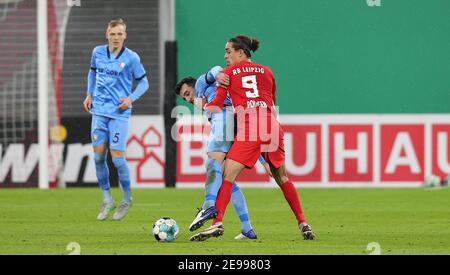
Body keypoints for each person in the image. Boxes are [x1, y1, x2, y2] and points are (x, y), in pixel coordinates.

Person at [198, 35, 315, 240]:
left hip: (250, 127)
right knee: (283, 178)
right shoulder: (267, 71)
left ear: (240, 52)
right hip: (272, 126)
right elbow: (272, 100)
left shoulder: (228, 73)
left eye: (228, 51)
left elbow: (216, 105)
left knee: (227, 175)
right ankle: (303, 222)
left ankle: (217, 223)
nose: (225, 56)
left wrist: (202, 105)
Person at [175, 67, 272, 241]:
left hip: (222, 118)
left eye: (188, 93)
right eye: (185, 97)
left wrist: (219, 74)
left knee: (212, 162)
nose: (188, 99)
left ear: (194, 87)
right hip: (233, 121)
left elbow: (215, 70)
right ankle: (247, 227)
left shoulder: (200, 86)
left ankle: (208, 206)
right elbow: (245, 141)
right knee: (228, 179)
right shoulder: (212, 100)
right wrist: (264, 161)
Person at [83, 18, 149, 221]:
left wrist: (131, 99)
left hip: (119, 113)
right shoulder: (97, 52)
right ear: (107, 35)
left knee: (118, 159)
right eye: (113, 34)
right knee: (98, 158)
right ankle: (107, 199)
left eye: (120, 34)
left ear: (125, 36)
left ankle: (127, 199)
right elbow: (92, 74)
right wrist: (89, 94)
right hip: (99, 111)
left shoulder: (131, 58)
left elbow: (144, 82)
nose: (116, 38)